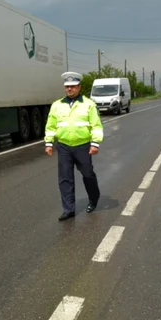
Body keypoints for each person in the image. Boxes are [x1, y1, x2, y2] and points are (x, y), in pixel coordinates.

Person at [45, 71, 104, 221]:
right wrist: (49, 143)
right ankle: (68, 209)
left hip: (83, 146)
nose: (70, 89)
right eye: (67, 86)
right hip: (64, 146)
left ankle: (94, 198)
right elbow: (51, 126)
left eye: (73, 86)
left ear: (79, 87)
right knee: (65, 178)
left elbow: (96, 125)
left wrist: (95, 143)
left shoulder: (89, 104)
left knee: (87, 174)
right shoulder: (57, 105)